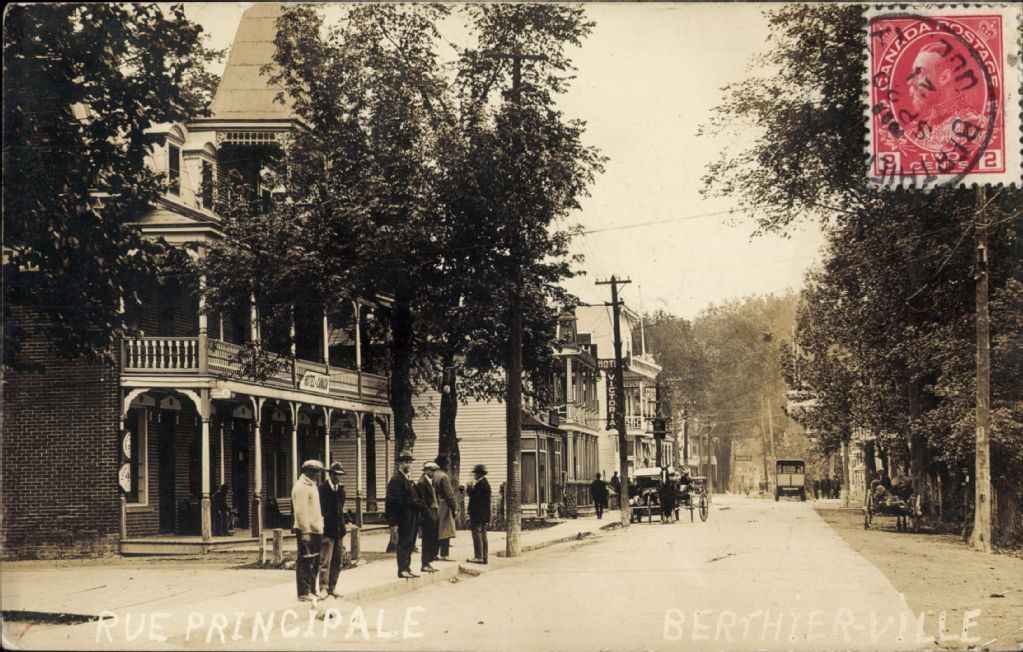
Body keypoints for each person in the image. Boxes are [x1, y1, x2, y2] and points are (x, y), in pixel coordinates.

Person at [292, 459, 325, 601]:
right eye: (315, 472)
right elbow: (301, 512)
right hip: (307, 529)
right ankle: (303, 592)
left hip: (316, 529)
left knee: (315, 561)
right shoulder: (301, 487)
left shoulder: (312, 486)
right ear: (308, 472)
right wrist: (305, 531)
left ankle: (312, 589)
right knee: (306, 560)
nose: (317, 475)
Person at [385, 450, 421, 579]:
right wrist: (394, 522)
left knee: (410, 542)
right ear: (400, 464)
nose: (408, 465)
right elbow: (393, 502)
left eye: (410, 462)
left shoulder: (408, 480)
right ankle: (402, 569)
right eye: (406, 462)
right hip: (403, 517)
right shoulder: (396, 480)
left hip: (411, 517)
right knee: (404, 543)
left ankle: (407, 567)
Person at [318, 461, 346, 598]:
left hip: (338, 530)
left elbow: (340, 510)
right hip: (327, 530)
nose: (338, 478)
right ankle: (323, 587)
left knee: (337, 561)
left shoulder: (341, 490)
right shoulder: (322, 489)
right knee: (325, 561)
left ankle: (332, 587)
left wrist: (343, 526)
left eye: (340, 475)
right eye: (335, 475)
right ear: (330, 474)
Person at [416, 461, 440, 574]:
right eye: (431, 470)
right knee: (427, 539)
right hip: (427, 513)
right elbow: (422, 501)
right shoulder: (422, 483)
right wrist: (428, 514)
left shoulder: (431, 482)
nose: (433, 472)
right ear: (426, 471)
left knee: (432, 538)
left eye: (434, 470)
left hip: (433, 511)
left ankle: (428, 562)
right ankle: (425, 563)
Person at [433, 457, 458, 561]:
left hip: (433, 505)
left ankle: (434, 553)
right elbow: (450, 495)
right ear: (444, 465)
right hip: (444, 505)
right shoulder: (443, 476)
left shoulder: (432, 475)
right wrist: (454, 507)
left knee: (435, 530)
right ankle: (444, 554)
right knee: (445, 531)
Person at [466, 464, 491, 564]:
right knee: (483, 534)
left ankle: (478, 556)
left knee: (477, 534)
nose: (474, 475)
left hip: (478, 514)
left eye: (476, 473)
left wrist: (469, 489)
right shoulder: (485, 483)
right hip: (483, 514)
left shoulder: (480, 484)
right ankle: (484, 557)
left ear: (480, 473)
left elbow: (475, 498)